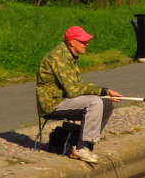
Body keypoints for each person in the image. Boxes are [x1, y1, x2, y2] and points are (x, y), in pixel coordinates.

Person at [37, 27, 122, 163]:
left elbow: (77, 87)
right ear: (72, 42)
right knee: (95, 102)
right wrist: (102, 91)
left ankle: (85, 144)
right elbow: (73, 90)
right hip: (53, 104)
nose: (86, 44)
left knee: (106, 104)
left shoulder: (69, 56)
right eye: (83, 41)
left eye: (86, 41)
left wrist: (106, 93)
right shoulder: (58, 58)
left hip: (66, 100)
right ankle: (80, 148)